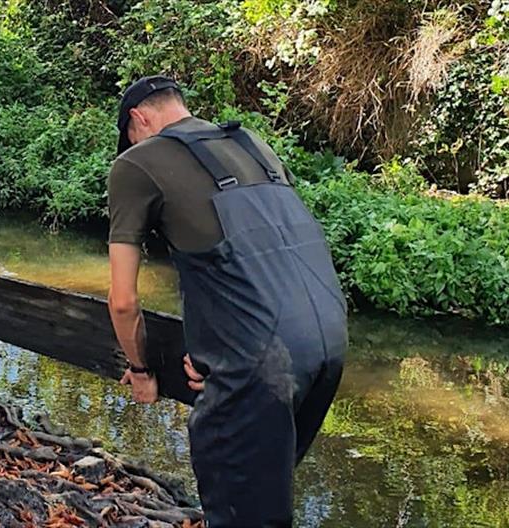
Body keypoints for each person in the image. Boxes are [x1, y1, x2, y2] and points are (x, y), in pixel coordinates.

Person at [107, 76, 347, 527]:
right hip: (327, 341)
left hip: (260, 359)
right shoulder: (253, 145)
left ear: (139, 119)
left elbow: (122, 301)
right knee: (262, 500)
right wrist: (220, 349)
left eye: (131, 137)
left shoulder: (136, 164)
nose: (132, 146)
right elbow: (270, 261)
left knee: (242, 513)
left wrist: (141, 372)